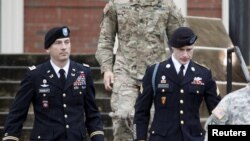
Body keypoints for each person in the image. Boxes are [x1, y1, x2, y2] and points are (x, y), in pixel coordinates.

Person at [95, 0, 184, 140]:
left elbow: (180, 40)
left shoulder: (166, 5)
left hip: (157, 73)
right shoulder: (117, 3)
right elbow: (106, 39)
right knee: (123, 116)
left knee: (157, 120)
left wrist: (180, 71)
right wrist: (107, 68)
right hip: (125, 71)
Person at [2, 26, 104, 141]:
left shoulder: (83, 73)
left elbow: (92, 114)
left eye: (67, 42)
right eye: (58, 43)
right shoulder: (35, 75)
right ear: (48, 48)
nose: (64, 47)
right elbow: (17, 114)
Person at [133, 27, 221, 141]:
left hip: (193, 137)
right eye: (181, 49)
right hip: (162, 138)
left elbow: (218, 111)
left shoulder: (204, 74)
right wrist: (140, 138)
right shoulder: (155, 72)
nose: (185, 54)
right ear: (172, 48)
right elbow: (141, 111)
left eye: (189, 50)